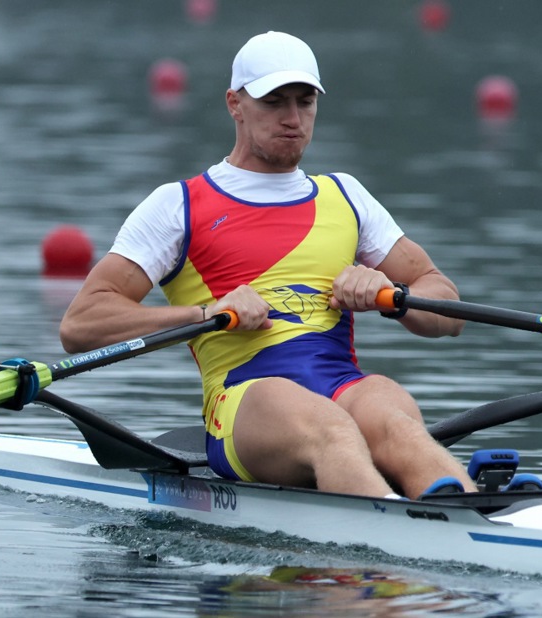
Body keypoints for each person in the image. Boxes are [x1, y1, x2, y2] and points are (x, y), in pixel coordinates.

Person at [60, 31, 475, 499]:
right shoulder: (178, 206)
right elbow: (81, 324)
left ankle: (467, 513)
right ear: (235, 104)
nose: (293, 119)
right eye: (274, 102)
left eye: (305, 102)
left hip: (343, 385)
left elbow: (448, 311)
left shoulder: (347, 196)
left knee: (395, 417)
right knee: (333, 429)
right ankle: (389, 536)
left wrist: (392, 296)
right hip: (245, 401)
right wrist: (204, 314)